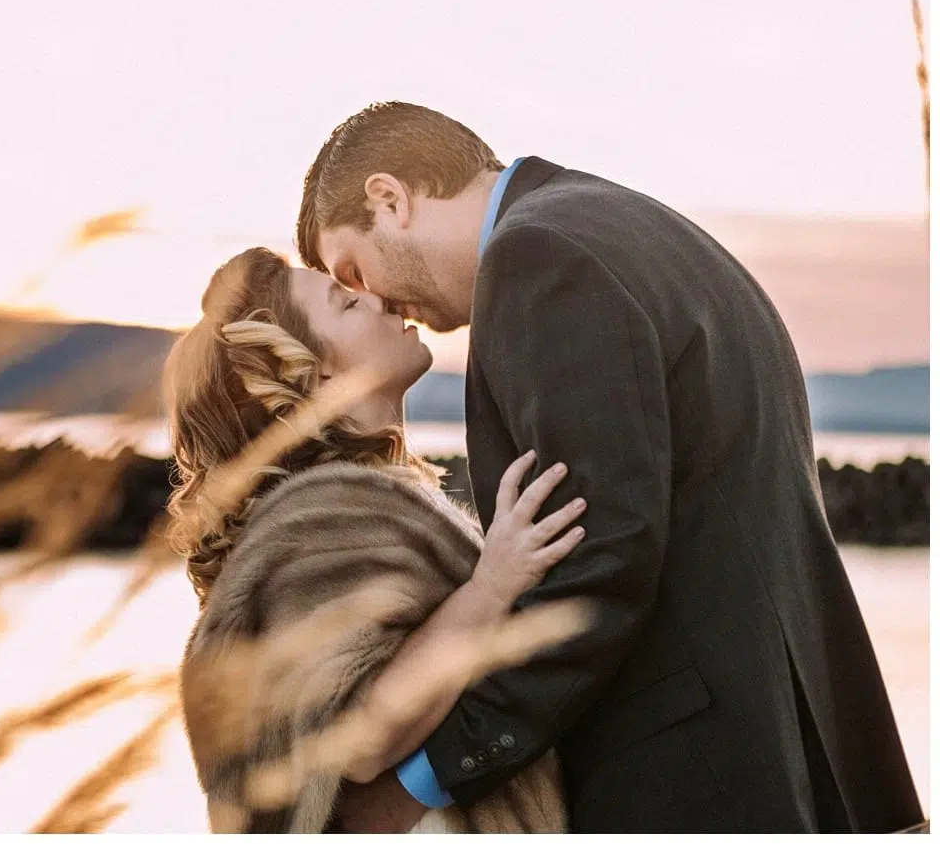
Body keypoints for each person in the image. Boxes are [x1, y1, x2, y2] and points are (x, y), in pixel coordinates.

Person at [293, 101, 924, 832]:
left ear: (389, 198)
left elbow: (597, 566)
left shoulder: (537, 261)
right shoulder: (632, 226)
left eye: (353, 270)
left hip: (694, 783)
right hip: (787, 753)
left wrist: (425, 780)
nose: (376, 302)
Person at [164, 246, 586, 832]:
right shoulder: (322, 522)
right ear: (317, 375)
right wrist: (493, 586)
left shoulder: (347, 510)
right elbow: (361, 739)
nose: (376, 298)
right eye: (344, 303)